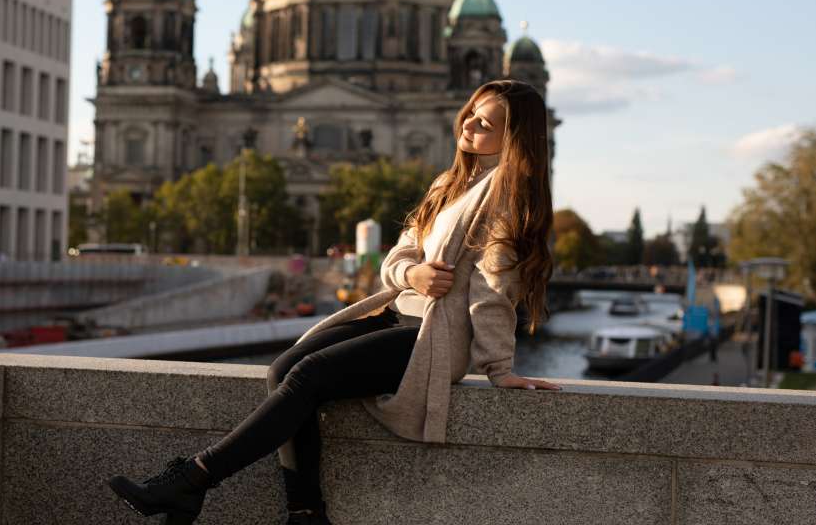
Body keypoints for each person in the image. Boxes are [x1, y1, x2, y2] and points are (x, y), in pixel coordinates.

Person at [106, 79, 562, 525]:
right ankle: (305, 512)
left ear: (515, 138)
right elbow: (400, 252)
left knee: (310, 375)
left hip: (432, 334)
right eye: (470, 114)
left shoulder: (505, 192)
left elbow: (494, 286)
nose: (469, 125)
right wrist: (413, 273)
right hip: (397, 312)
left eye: (485, 123)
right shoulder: (452, 181)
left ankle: (192, 479)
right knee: (282, 369)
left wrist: (499, 369)